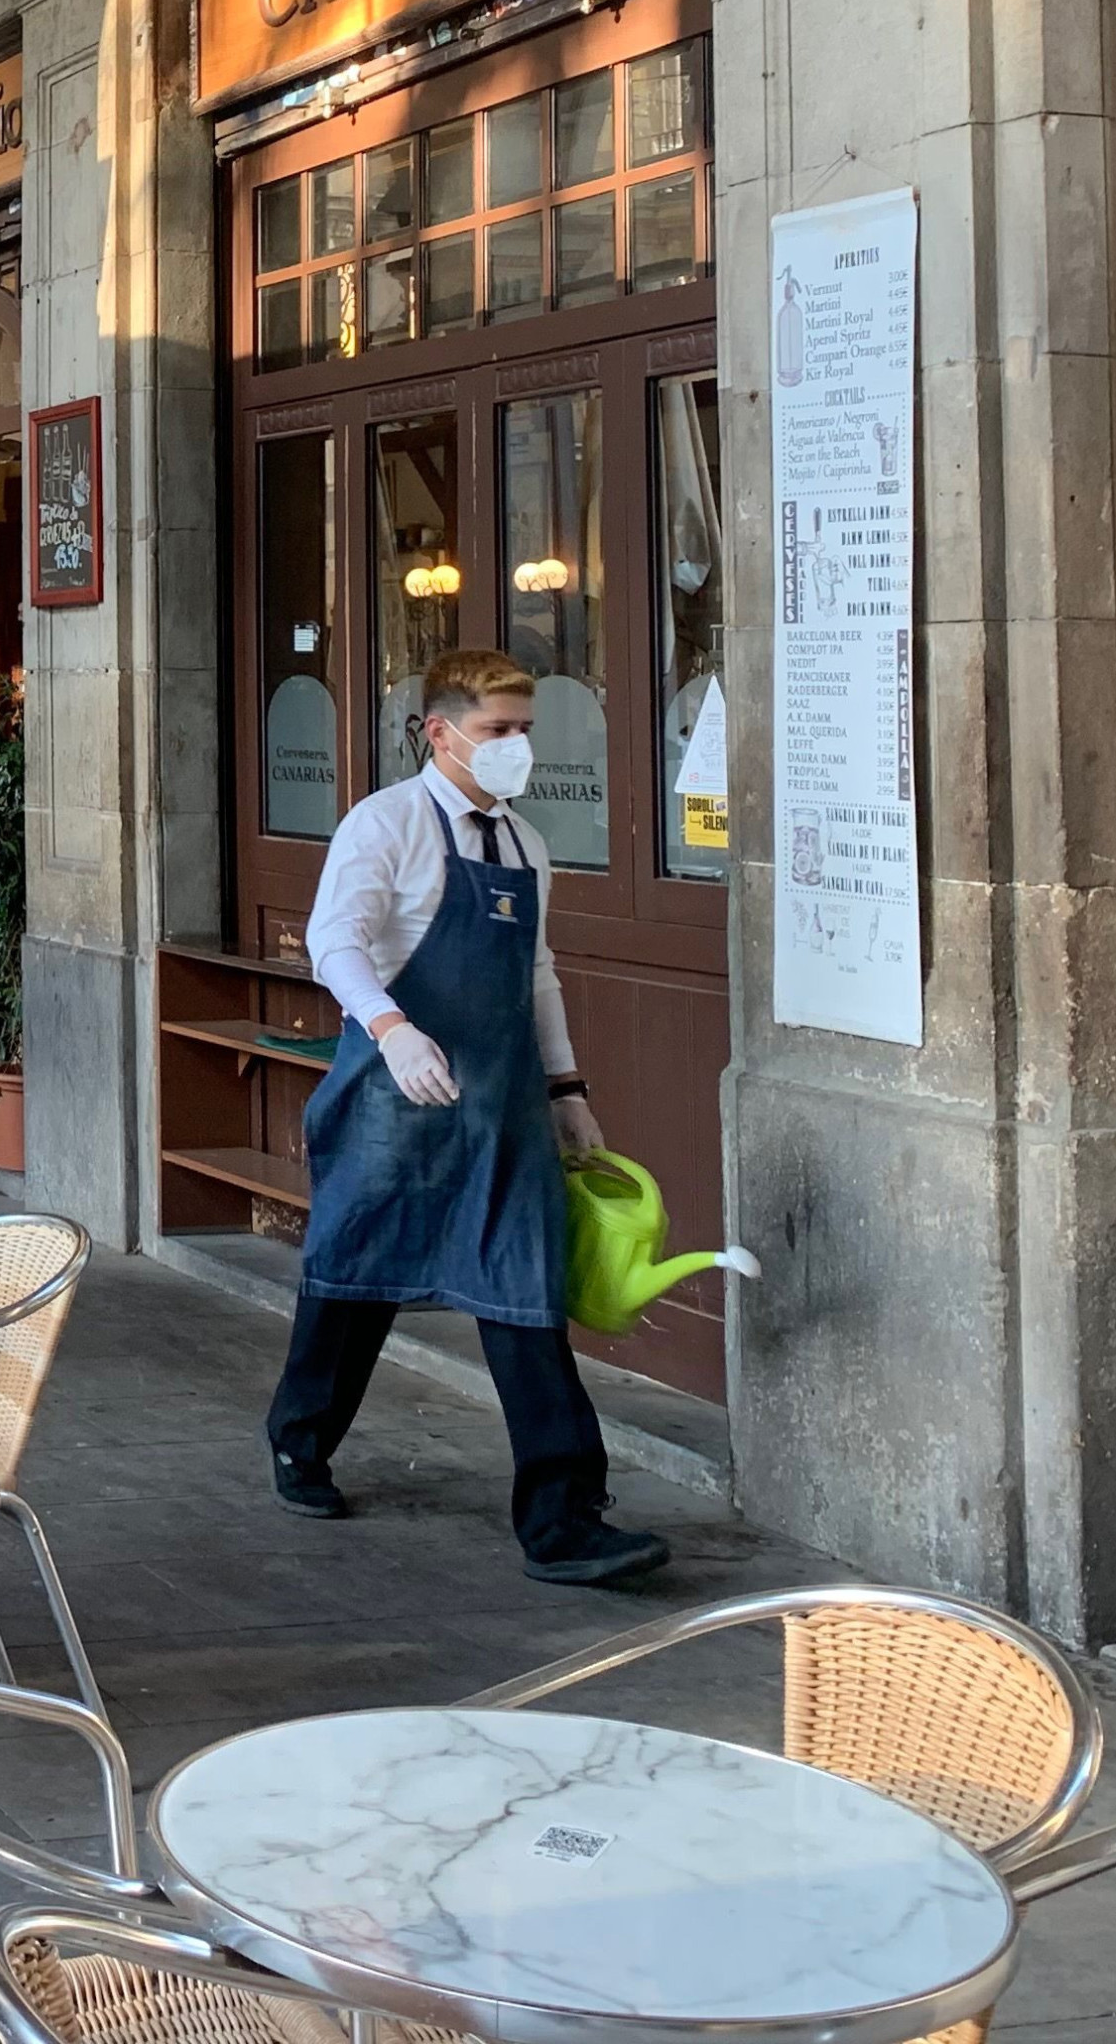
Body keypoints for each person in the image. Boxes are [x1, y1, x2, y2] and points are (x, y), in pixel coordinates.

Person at [263, 649, 666, 1586]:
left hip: (504, 1108)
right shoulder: (386, 825)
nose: (517, 746)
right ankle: (300, 1441)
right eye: (499, 731)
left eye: (526, 730)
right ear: (440, 734)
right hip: (390, 1099)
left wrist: (568, 1094)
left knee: (524, 1293)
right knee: (355, 1277)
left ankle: (564, 1520)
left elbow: (537, 975)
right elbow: (334, 942)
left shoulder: (524, 844)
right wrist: (395, 1032)